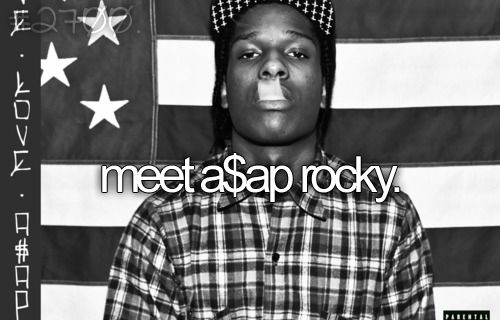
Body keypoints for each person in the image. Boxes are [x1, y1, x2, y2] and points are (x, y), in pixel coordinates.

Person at [104, 0, 435, 319]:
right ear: (223, 88)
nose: (273, 66)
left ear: (323, 88)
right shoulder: (163, 223)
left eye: (297, 53)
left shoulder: (388, 219)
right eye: (249, 53)